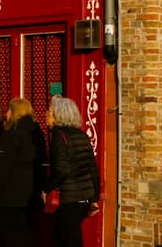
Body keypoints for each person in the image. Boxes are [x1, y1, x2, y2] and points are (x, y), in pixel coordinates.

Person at [0, 97, 47, 247]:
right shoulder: (37, 135)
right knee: (25, 236)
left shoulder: (10, 136)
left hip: (9, 196)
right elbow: (40, 164)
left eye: (8, 110)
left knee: (8, 236)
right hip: (31, 195)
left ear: (15, 114)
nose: (6, 113)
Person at [43, 96, 100, 247]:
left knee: (66, 240)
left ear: (58, 115)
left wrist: (45, 189)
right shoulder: (82, 135)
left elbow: (61, 170)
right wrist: (94, 198)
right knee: (72, 238)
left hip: (69, 199)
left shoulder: (58, 136)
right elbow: (93, 169)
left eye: (49, 111)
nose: (46, 114)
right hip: (84, 199)